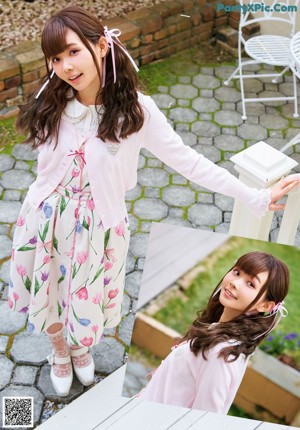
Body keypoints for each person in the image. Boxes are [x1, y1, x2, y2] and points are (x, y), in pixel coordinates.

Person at [7, 5, 297, 397]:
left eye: (73, 52)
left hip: (98, 227)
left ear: (102, 45)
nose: (65, 67)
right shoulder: (52, 103)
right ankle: (59, 350)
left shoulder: (137, 112)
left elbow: (189, 162)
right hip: (45, 219)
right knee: (51, 292)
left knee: (84, 298)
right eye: (55, 58)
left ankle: (80, 348)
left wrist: (255, 197)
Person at [138, 251, 290, 414]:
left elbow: (204, 418)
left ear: (265, 306)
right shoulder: (220, 332)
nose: (235, 282)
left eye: (251, 284)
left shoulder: (221, 354)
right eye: (237, 272)